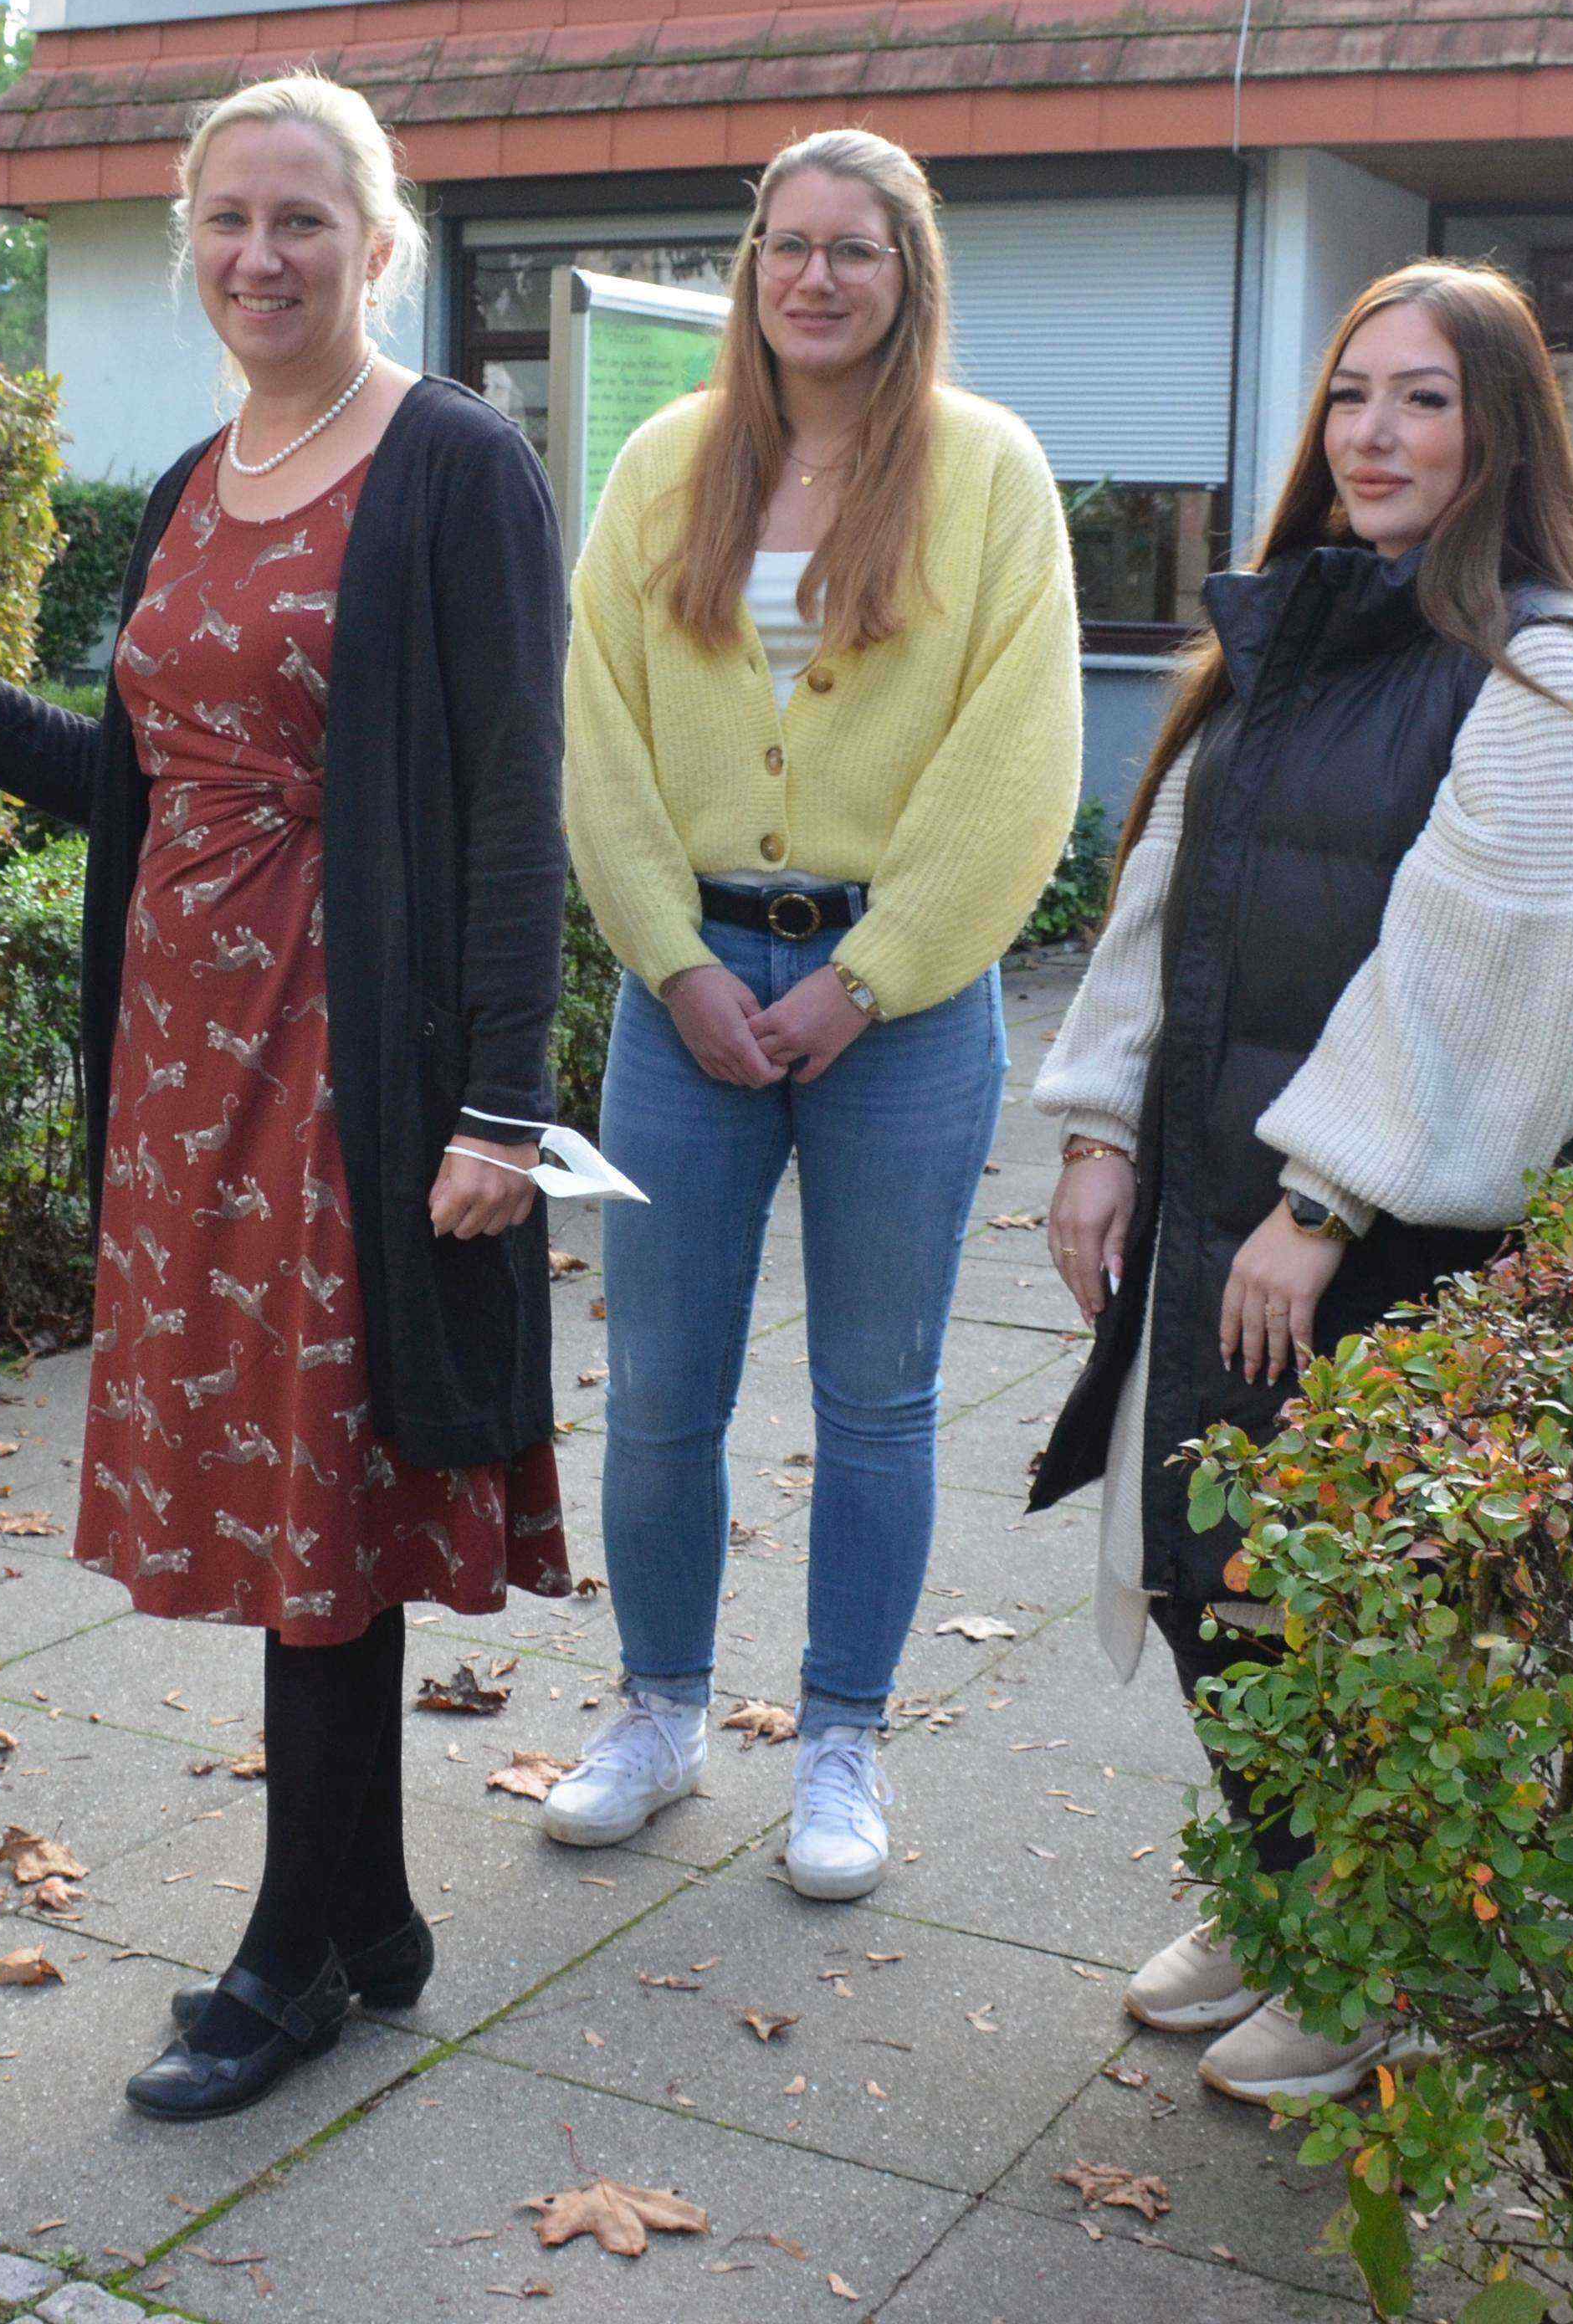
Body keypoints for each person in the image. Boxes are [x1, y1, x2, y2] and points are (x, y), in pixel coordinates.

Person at [0, 71, 571, 2121]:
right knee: (272, 1495)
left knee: (322, 1496)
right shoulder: (185, 481)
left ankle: (292, 1950)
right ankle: (378, 1908)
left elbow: (517, 805)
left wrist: (503, 1108)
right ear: (187, 236)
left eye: (304, 219)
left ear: (378, 242)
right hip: (182, 1076)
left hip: (354, 1064)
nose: (261, 254)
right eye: (228, 217)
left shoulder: (454, 465)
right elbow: (135, 789)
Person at [1027, 260, 1573, 2109]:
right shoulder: (1301, 640)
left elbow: (1488, 977)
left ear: (1502, 434)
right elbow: (1167, 899)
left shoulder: (1543, 668)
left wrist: (1321, 1207)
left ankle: (1372, 1945)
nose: (1373, 436)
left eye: (1426, 401)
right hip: (1224, 1202)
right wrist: (1099, 1134)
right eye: (1350, 395)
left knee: (1343, 1603)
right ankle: (1284, 1889)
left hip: (1384, 1241)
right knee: (1209, 1570)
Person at [550, 127, 1083, 1902]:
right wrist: (673, 962)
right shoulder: (663, 466)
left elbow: (1021, 764)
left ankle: (841, 1738)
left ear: (905, 275)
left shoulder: (991, 474)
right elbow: (597, 737)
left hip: (904, 1012)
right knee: (659, 1393)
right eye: (787, 244)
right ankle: (658, 1713)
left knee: (876, 1395)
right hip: (681, 991)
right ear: (749, 264)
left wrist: (868, 978)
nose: (815, 278)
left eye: (855, 249)